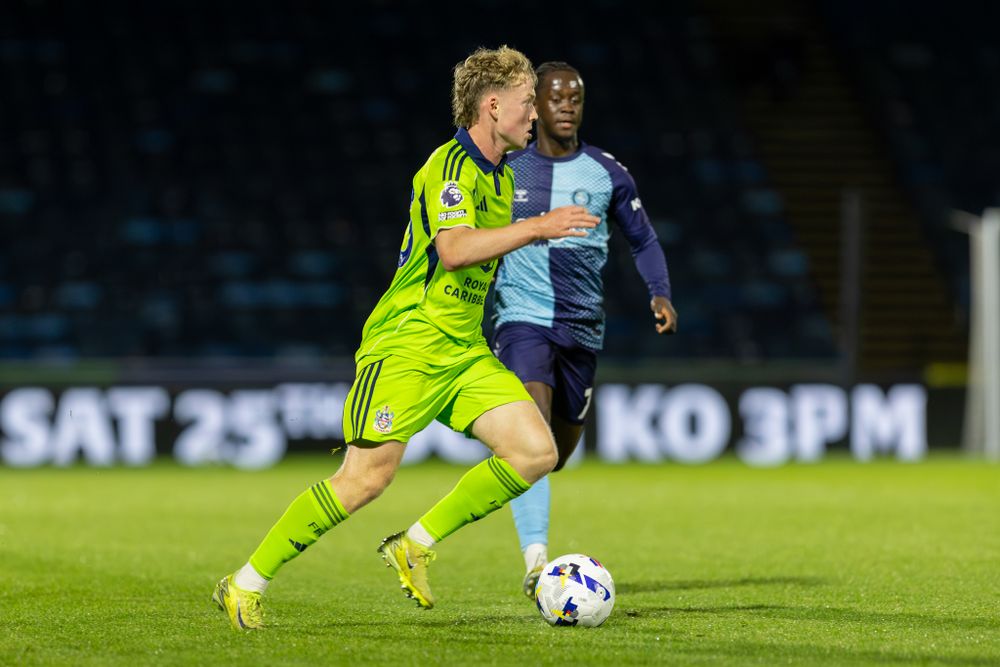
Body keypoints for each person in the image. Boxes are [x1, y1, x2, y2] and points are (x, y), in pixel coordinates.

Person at [211, 46, 600, 630]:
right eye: (526, 102)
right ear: (493, 106)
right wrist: (538, 227)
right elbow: (454, 250)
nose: (535, 114)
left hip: (463, 350)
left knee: (535, 452)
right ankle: (245, 583)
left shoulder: (502, 175)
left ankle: (414, 544)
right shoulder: (449, 167)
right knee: (366, 480)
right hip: (408, 344)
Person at [492, 61, 678, 598]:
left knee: (555, 452)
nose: (567, 107)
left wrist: (659, 291)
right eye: (556, 98)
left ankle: (519, 473)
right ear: (535, 106)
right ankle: (536, 561)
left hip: (581, 328)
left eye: (575, 98)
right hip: (521, 319)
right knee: (530, 431)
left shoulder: (606, 173)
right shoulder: (506, 169)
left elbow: (643, 240)